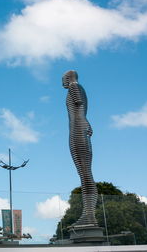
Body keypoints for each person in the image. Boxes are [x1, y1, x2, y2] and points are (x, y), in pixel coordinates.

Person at [63, 70, 98, 226]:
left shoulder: (74, 87)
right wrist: (87, 124)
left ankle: (89, 215)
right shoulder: (80, 88)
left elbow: (80, 105)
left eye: (63, 79)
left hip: (77, 129)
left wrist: (84, 124)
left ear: (69, 78)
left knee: (85, 174)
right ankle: (88, 214)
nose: (62, 83)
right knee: (85, 173)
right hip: (80, 127)